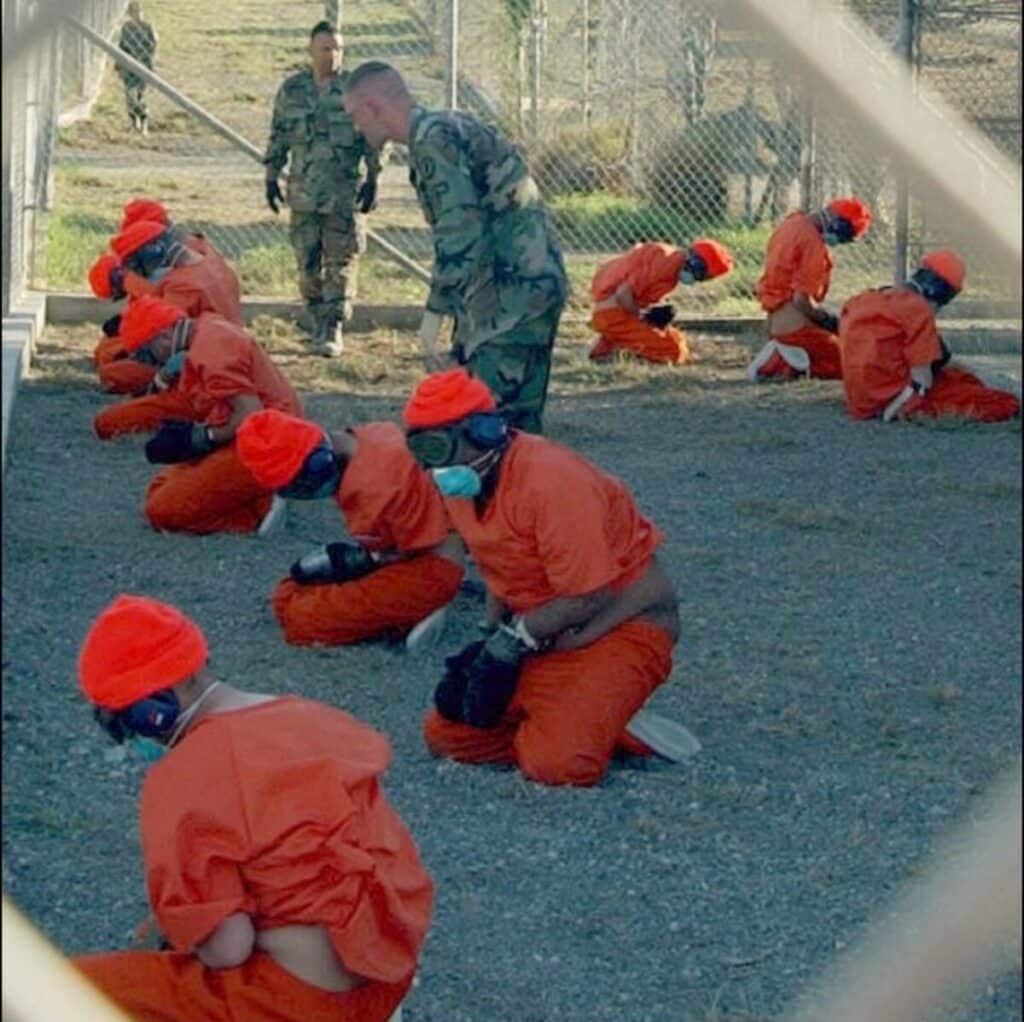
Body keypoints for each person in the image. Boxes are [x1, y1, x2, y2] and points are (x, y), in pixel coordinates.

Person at [74, 594, 431, 1022]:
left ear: (151, 711)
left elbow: (227, 950)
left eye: (120, 725)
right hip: (386, 980)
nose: (128, 741)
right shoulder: (313, 718)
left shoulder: (182, 777)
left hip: (302, 1002)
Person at [400, 368, 701, 787]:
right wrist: (491, 634)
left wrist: (514, 639)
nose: (435, 466)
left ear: (485, 432)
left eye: (439, 447)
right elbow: (497, 560)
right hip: (548, 629)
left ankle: (598, 719)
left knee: (557, 766)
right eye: (421, 450)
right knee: (448, 736)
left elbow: (590, 595)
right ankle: (587, 716)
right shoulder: (465, 483)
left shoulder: (552, 480)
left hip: (619, 624)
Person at [343, 61, 568, 434]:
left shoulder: (432, 141)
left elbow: (459, 231)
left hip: (511, 296)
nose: (355, 126)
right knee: (517, 431)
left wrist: (436, 310)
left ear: (373, 107)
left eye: (354, 115)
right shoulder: (442, 128)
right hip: (526, 285)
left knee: (489, 428)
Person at [236, 409, 465, 649]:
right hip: (408, 548)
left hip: (432, 565)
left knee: (302, 620)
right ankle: (393, 614)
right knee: (289, 593)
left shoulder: (373, 490)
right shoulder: (364, 438)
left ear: (316, 465)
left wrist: (354, 569)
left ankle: (416, 611)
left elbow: (396, 554)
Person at [95, 296, 303, 535]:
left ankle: (258, 512)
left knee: (163, 511)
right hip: (259, 433)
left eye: (148, 354)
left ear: (164, 336)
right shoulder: (206, 329)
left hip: (268, 442)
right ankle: (259, 491)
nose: (152, 362)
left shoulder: (211, 349)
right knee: (159, 487)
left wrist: (204, 437)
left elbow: (250, 415)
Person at [263, 21, 382, 357]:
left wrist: (374, 178)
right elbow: (279, 134)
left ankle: (333, 327)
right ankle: (316, 320)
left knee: (340, 262)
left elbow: (374, 138)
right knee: (307, 263)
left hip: (343, 195)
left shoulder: (355, 92)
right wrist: (271, 175)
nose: (332, 55)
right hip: (303, 194)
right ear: (311, 51)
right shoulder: (293, 91)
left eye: (337, 49)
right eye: (326, 48)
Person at [839, 249, 1020, 422]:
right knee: (1003, 402)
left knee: (960, 378)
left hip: (860, 401)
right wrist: (900, 410)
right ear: (938, 292)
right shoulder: (917, 310)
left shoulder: (862, 300)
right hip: (894, 400)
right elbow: (922, 380)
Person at [746, 196, 872, 381]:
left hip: (775, 321)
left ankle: (787, 358)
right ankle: (782, 363)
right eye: (846, 237)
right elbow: (801, 301)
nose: (841, 241)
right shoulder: (813, 245)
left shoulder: (791, 224)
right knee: (854, 363)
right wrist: (829, 321)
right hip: (795, 326)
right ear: (839, 225)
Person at [588, 238, 734, 364]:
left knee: (676, 338)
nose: (699, 280)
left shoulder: (669, 260)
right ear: (696, 264)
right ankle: (619, 350)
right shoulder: (665, 263)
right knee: (674, 351)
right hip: (612, 314)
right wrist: (641, 316)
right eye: (704, 276)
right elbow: (623, 294)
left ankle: (610, 345)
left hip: (614, 311)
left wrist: (652, 313)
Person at [110, 218, 243, 324]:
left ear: (154, 254)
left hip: (210, 344)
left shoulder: (181, 286)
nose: (146, 277)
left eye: (141, 270)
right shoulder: (209, 258)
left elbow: (162, 332)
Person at [88, 251, 157, 395]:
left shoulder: (132, 282)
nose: (119, 296)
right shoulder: (137, 279)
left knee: (107, 362)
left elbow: (157, 312)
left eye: (115, 293)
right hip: (151, 335)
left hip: (154, 339)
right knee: (102, 353)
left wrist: (124, 322)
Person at [116, 2, 158, 135]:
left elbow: (152, 47)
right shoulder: (126, 28)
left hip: (143, 65)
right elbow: (121, 47)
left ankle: (143, 121)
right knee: (130, 96)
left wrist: (149, 63)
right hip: (129, 67)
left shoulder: (147, 27)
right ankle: (135, 121)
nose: (138, 16)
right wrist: (119, 66)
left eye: (139, 13)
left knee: (140, 95)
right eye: (134, 13)